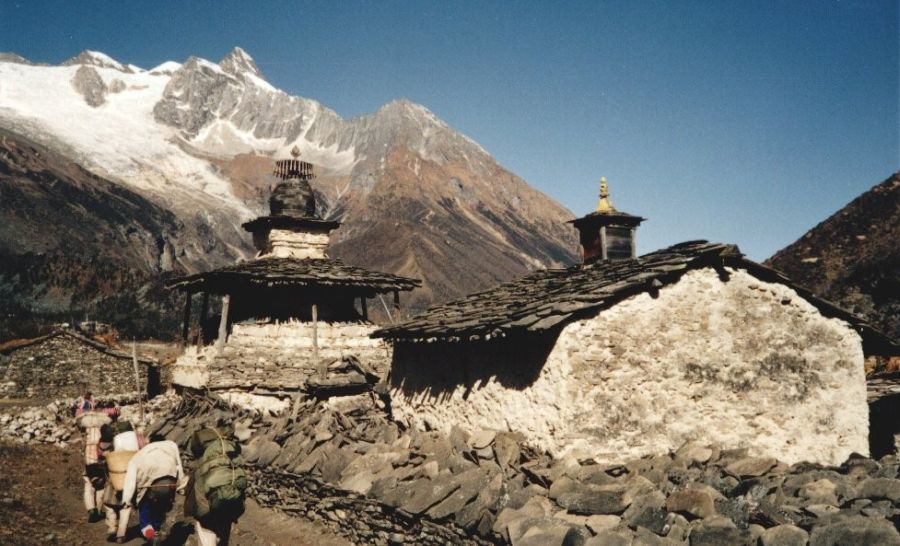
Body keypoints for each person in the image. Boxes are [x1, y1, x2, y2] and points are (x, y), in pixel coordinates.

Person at [186, 427, 247, 546]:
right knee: (223, 537)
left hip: (207, 515)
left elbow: (196, 493)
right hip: (229, 509)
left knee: (207, 537)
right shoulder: (233, 459)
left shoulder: (204, 463)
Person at [119, 438, 185, 544]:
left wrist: (126, 499)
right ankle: (156, 531)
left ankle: (151, 536)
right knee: (160, 511)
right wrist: (180, 486)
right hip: (169, 483)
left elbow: (130, 482)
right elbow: (179, 466)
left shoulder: (138, 457)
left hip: (150, 489)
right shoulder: (171, 445)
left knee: (145, 514)